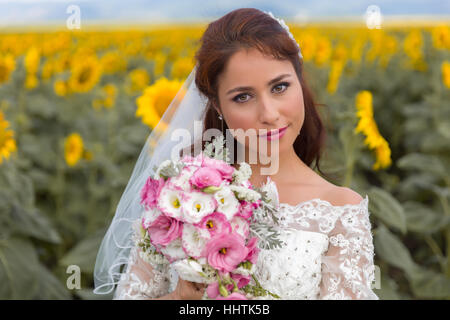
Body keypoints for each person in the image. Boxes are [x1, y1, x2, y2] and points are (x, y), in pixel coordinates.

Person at [93, 8, 379, 300]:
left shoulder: (341, 211)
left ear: (299, 80)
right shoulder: (180, 195)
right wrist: (181, 298)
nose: (269, 114)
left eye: (280, 87)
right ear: (217, 105)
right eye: (243, 97)